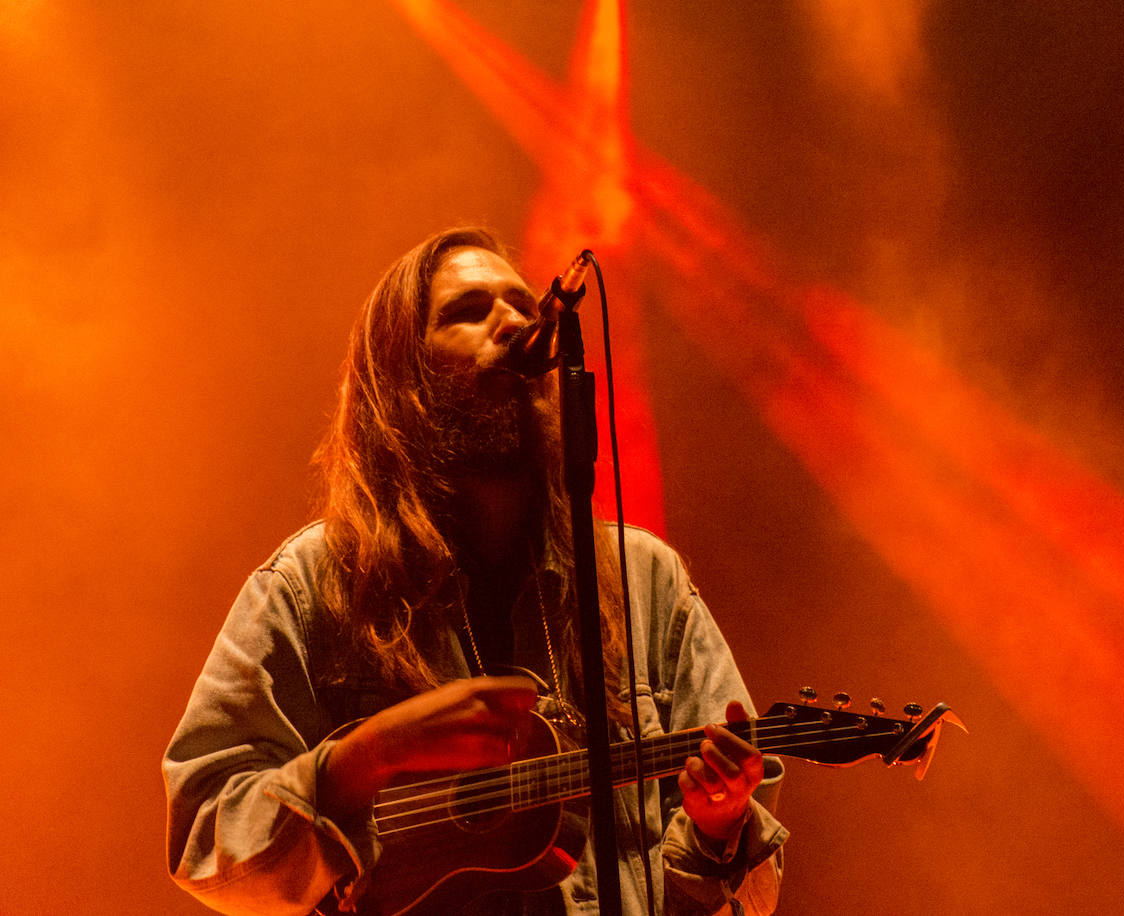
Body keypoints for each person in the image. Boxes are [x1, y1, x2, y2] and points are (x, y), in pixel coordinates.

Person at [162, 227, 787, 916]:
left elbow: (744, 891)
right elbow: (204, 833)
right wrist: (365, 757)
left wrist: (718, 830)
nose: (514, 324)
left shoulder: (645, 581)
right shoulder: (313, 585)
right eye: (467, 311)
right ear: (403, 373)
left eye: (522, 306)